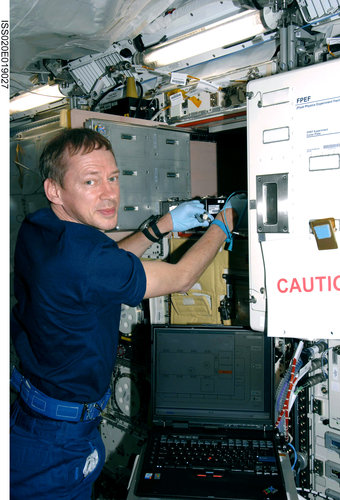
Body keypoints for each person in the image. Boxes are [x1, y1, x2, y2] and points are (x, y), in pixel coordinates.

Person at [10, 128, 235, 499]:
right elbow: (181, 277)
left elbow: (110, 265)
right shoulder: (84, 260)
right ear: (55, 190)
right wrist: (224, 222)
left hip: (37, 417)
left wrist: (163, 225)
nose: (109, 192)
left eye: (113, 177)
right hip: (56, 443)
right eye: (90, 181)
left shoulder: (41, 228)